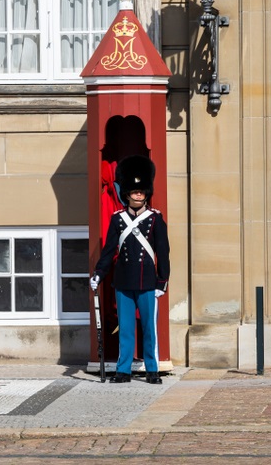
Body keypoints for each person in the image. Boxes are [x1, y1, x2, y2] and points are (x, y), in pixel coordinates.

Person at [90, 155, 170, 384]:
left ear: (146, 193)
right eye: (134, 191)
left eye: (141, 191)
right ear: (126, 193)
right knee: (125, 329)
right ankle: (123, 370)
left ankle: (152, 370)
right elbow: (108, 251)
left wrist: (162, 281)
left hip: (147, 283)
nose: (138, 194)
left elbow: (163, 253)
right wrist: (98, 273)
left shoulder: (155, 219)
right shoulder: (118, 219)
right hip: (123, 282)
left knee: (148, 329)